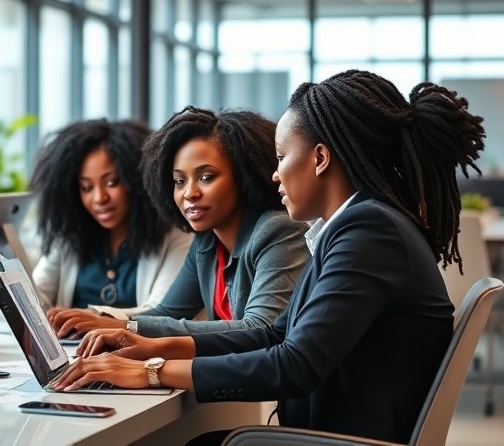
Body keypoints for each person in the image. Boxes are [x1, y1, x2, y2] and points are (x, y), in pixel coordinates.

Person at [54, 70, 486, 445]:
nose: (275, 172)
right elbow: (276, 334)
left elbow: (293, 366)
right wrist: (153, 346)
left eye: (282, 157)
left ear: (319, 158)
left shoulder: (369, 231)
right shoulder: (355, 226)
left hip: (341, 442)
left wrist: (152, 371)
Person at [49, 107, 308, 339]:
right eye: (179, 181)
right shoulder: (207, 241)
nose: (189, 194)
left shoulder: (278, 230)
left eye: (206, 177)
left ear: (243, 175)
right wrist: (99, 323)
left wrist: (124, 329)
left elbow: (259, 327)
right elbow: (168, 312)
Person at [30, 119, 193, 323]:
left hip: (134, 353)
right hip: (73, 351)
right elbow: (36, 300)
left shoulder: (177, 235)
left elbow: (163, 313)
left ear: (138, 180)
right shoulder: (70, 235)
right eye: (86, 188)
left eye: (111, 182)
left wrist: (94, 318)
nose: (99, 198)